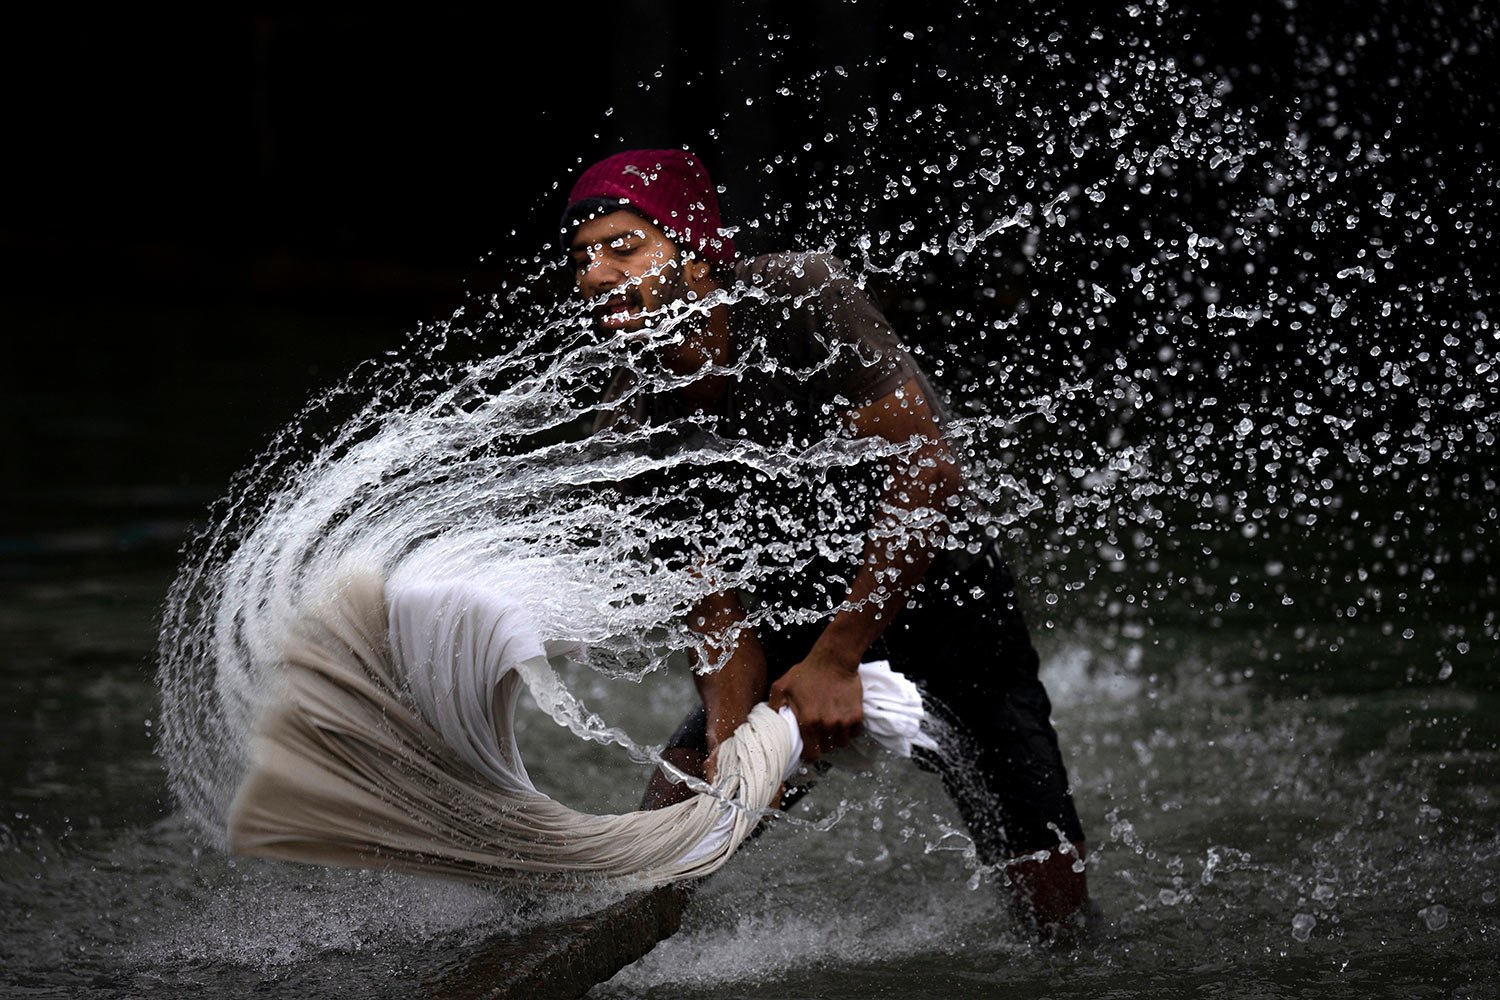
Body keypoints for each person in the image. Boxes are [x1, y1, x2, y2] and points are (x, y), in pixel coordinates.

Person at [560, 148, 1091, 935]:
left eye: (624, 246)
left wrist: (840, 657)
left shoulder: (797, 296)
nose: (596, 275)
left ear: (700, 259)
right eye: (581, 258)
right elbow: (716, 612)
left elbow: (928, 468)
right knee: (671, 837)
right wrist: (734, 752)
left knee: (1052, 907)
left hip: (939, 600)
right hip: (788, 629)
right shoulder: (631, 419)